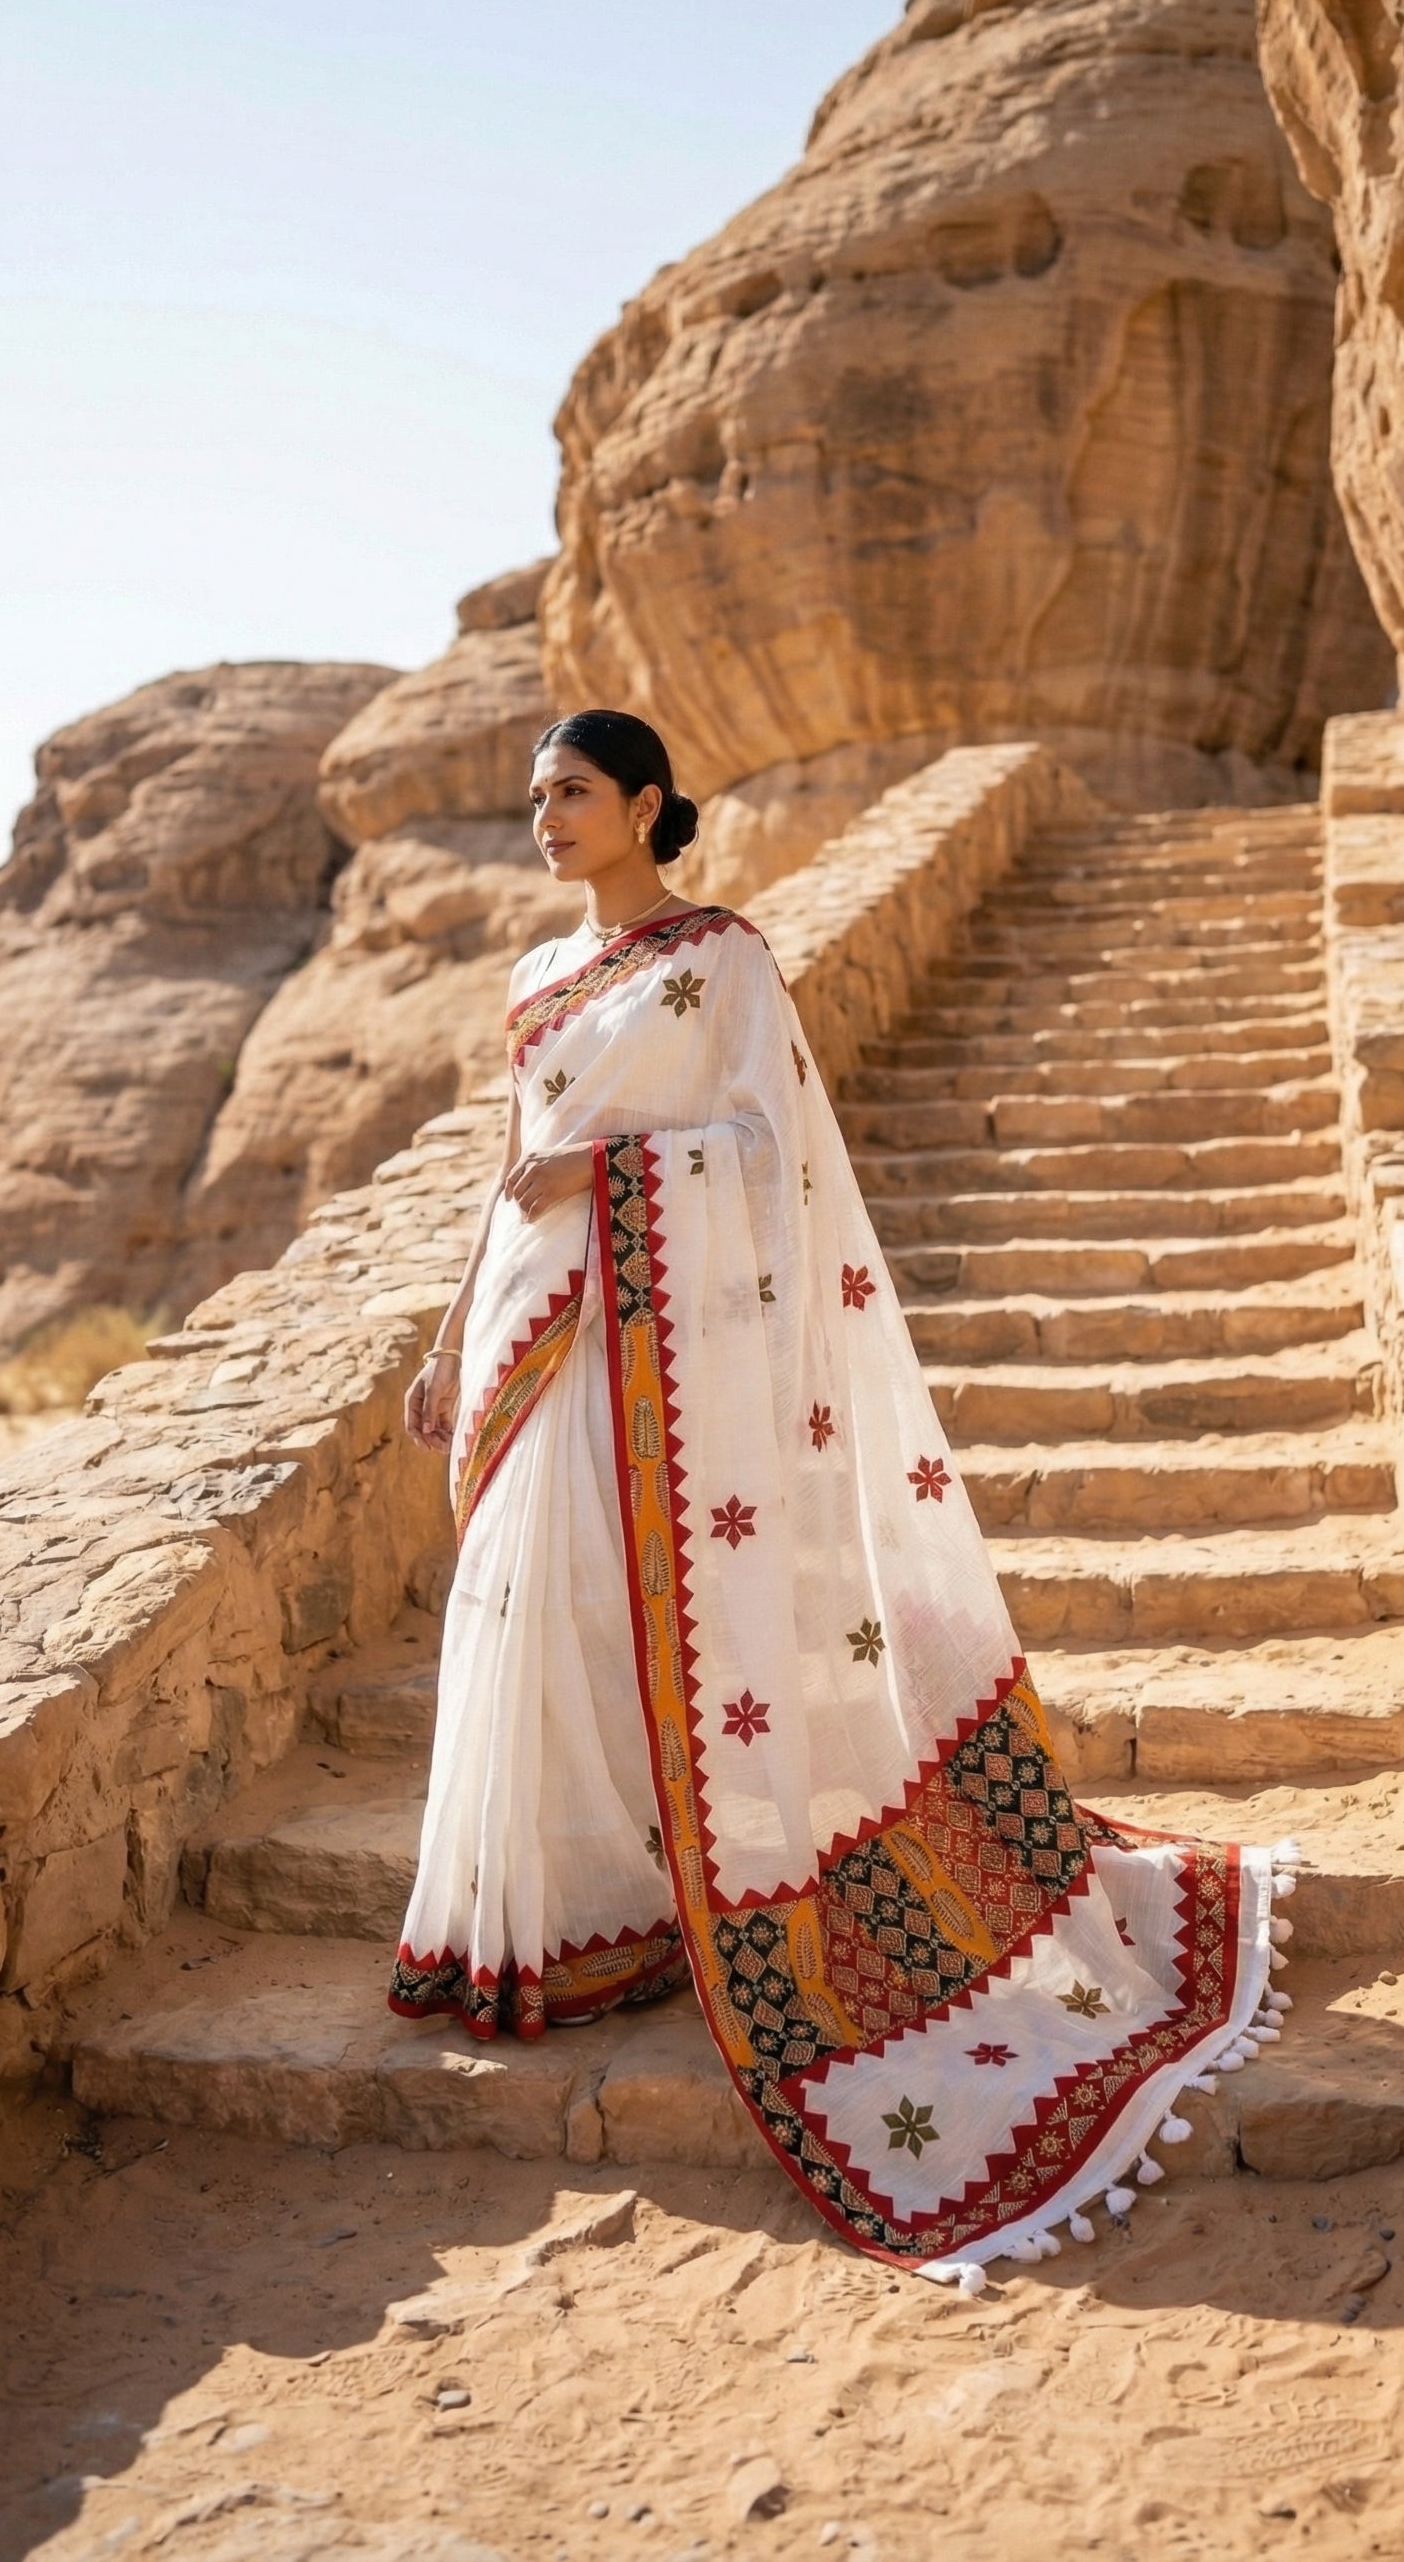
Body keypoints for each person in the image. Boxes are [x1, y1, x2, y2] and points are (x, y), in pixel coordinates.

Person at [392, 708, 1292, 2273]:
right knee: (521, 1619)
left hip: (657, 1355)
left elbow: (766, 1149)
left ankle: (661, 1910)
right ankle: (547, 1932)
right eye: (536, 797)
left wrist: (606, 1182)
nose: (545, 818)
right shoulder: (536, 979)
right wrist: (446, 1335)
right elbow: (509, 1161)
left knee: (608, 1625)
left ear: (648, 807)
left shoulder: (720, 960)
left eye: (575, 795)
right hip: (537, 1336)